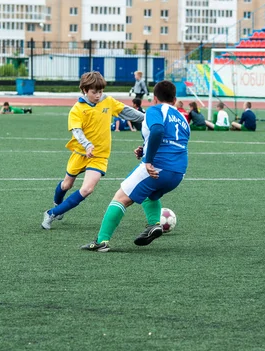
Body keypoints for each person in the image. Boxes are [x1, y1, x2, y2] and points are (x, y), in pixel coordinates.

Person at [81, 80, 190, 252]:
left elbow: (158, 131)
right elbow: (173, 142)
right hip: (178, 171)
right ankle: (154, 225)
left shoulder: (155, 110)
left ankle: (102, 242)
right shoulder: (182, 118)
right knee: (149, 195)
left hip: (159, 166)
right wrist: (146, 149)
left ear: (154, 98)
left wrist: (148, 160)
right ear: (175, 99)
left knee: (120, 198)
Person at [41, 71, 144, 230]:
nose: (98, 95)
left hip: (99, 155)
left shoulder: (108, 101)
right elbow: (76, 131)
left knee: (87, 189)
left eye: (100, 91)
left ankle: (52, 213)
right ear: (84, 91)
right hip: (80, 153)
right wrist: (87, 145)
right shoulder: (77, 109)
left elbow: (127, 112)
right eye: (94, 92)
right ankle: (57, 203)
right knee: (66, 185)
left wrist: (149, 117)